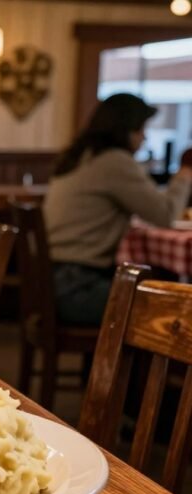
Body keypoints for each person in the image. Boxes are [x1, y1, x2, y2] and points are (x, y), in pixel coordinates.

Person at [43, 93, 192, 326]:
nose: (144, 137)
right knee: (169, 309)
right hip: (77, 287)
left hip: (53, 282)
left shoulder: (81, 156)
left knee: (152, 292)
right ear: (126, 130)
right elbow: (165, 215)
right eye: (141, 129)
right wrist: (184, 174)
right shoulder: (114, 162)